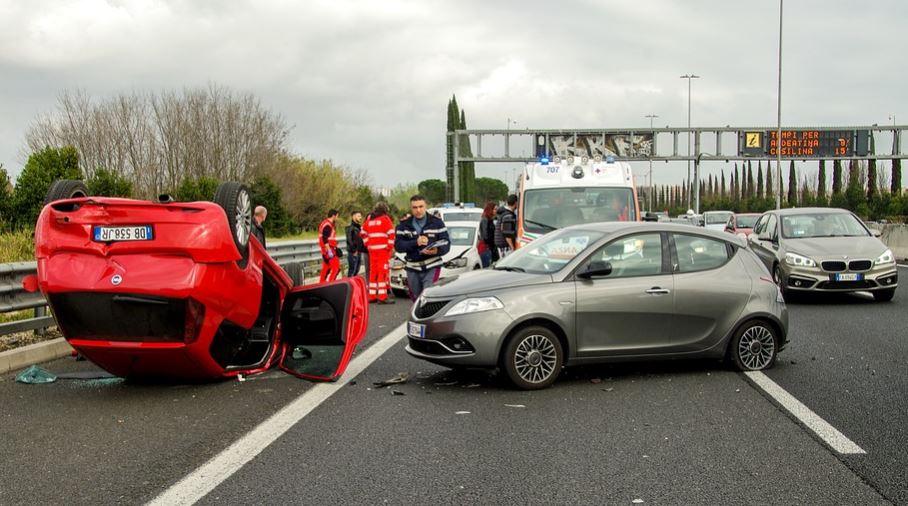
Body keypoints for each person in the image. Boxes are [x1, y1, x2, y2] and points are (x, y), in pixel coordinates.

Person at [395, 194, 450, 301]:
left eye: (421, 206)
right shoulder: (403, 225)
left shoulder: (437, 223)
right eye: (415, 207)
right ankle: (418, 316)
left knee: (428, 295)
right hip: (412, 267)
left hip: (432, 266)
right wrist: (416, 242)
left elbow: (446, 243)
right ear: (411, 208)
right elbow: (398, 246)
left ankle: (430, 317)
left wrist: (436, 250)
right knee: (416, 299)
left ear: (426, 206)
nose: (418, 210)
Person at [362, 202, 396, 303]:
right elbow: (391, 233)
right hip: (383, 251)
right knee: (382, 273)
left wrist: (368, 244)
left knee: (373, 272)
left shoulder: (370, 219)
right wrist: (389, 247)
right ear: (385, 210)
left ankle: (372, 296)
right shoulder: (385, 219)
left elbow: (363, 232)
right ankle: (382, 297)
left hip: (372, 250)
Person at [318, 209, 342, 282]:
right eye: (337, 216)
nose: (337, 218)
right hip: (329, 250)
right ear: (333, 216)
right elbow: (325, 239)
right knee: (336, 268)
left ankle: (321, 284)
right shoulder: (328, 225)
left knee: (326, 268)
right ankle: (331, 284)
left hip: (325, 250)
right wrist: (329, 251)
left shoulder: (325, 223)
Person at [478, 201, 499, 267]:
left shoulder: (490, 220)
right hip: (486, 248)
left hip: (490, 247)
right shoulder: (485, 220)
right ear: (490, 209)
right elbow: (485, 236)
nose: (496, 211)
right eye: (495, 209)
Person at [345, 211, 365, 278]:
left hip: (359, 251)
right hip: (353, 252)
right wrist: (354, 250)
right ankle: (349, 286)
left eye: (360, 216)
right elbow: (349, 240)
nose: (360, 218)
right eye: (358, 216)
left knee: (356, 270)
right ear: (353, 216)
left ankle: (353, 286)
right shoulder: (350, 228)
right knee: (352, 270)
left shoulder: (359, 227)